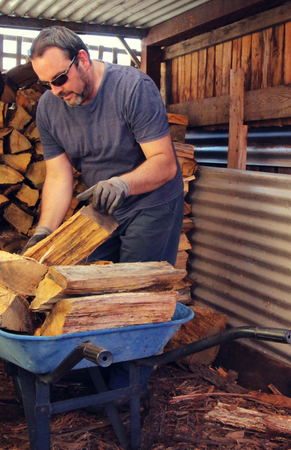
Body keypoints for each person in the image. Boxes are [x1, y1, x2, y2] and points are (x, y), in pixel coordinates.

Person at [24, 27, 184, 391]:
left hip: (151, 201)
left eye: (60, 79)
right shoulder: (49, 107)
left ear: (82, 59)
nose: (55, 91)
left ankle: (127, 392)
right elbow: (59, 175)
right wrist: (44, 231)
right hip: (103, 206)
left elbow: (164, 163)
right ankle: (92, 379)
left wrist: (122, 184)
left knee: (136, 298)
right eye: (46, 84)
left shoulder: (132, 88)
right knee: (85, 287)